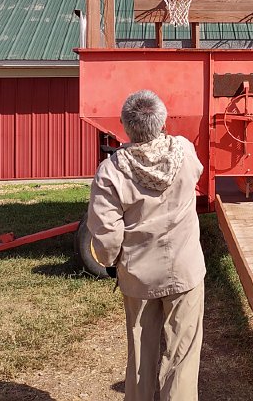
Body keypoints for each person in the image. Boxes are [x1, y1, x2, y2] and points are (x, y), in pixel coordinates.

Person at [87, 90, 205, 401]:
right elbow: (198, 173)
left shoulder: (111, 170)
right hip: (185, 269)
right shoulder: (184, 151)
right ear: (163, 121)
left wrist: (112, 261)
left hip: (138, 274)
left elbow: (105, 233)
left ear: (125, 126)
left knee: (141, 354)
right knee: (182, 356)